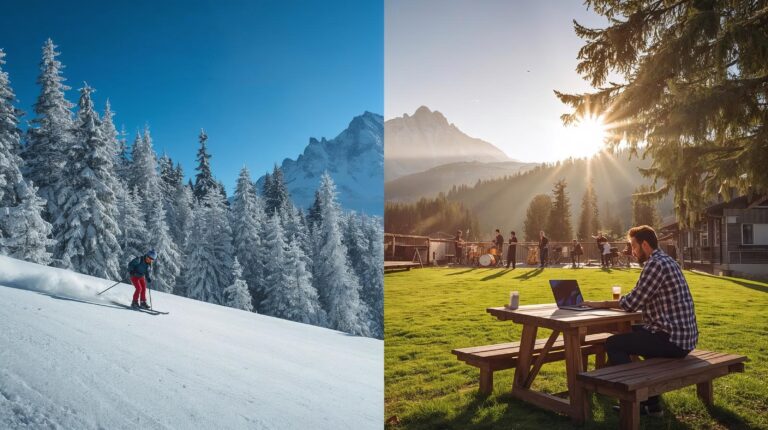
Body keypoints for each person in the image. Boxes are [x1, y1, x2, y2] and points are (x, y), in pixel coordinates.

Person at [584, 226, 698, 417]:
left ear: (644, 245)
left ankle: (635, 399)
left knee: (613, 344)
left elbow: (632, 302)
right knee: (634, 332)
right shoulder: (667, 260)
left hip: (672, 340)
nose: (632, 251)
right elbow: (641, 298)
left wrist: (600, 304)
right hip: (683, 336)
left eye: (633, 246)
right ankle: (652, 405)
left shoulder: (655, 265)